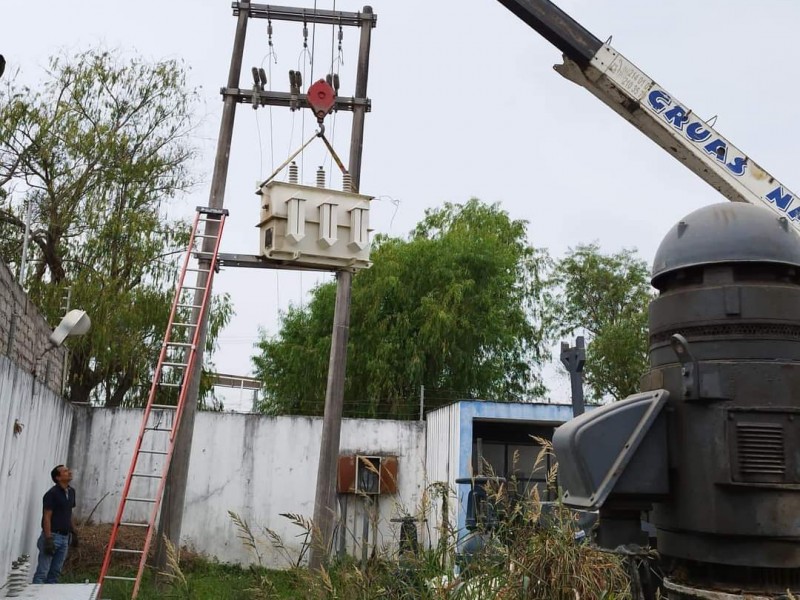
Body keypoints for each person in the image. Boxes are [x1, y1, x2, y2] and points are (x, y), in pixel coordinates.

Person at [32, 465, 78, 584]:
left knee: (55, 572)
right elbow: (47, 516)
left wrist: (74, 531)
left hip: (64, 538)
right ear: (58, 477)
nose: (69, 472)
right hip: (53, 536)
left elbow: (69, 513)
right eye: (65, 471)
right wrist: (48, 539)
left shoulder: (71, 492)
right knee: (43, 572)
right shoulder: (51, 494)